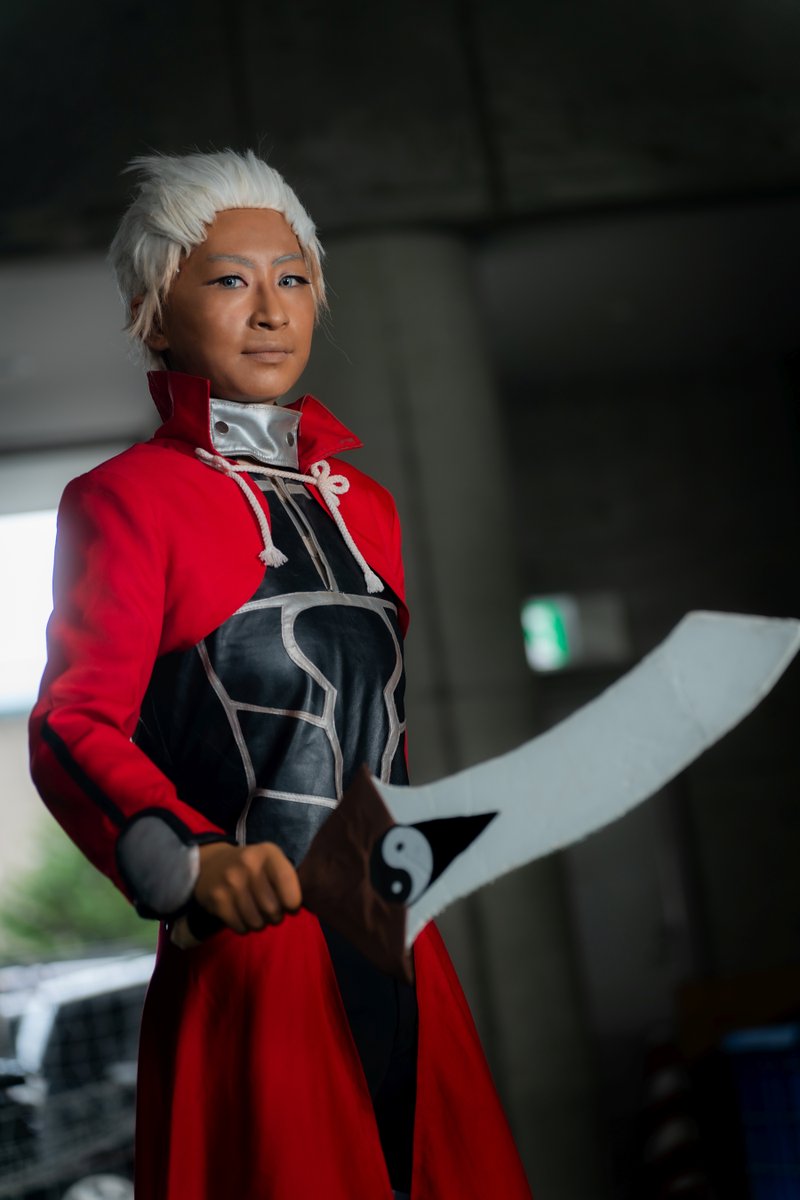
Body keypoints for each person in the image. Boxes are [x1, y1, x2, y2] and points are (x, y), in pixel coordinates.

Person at [29, 149, 532, 1200]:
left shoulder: (366, 507)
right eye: (229, 279)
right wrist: (191, 861)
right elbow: (74, 722)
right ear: (153, 316)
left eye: (292, 278)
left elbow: (382, 739)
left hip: (400, 941)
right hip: (255, 952)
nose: (270, 310)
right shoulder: (126, 499)